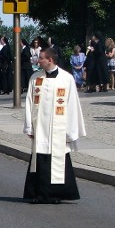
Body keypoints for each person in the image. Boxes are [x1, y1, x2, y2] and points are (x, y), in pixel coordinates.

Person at [22, 47, 86, 204]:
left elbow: (72, 105)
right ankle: (40, 193)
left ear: (50, 60)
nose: (38, 60)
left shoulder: (67, 78)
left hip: (59, 128)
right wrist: (29, 126)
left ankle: (57, 194)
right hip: (40, 127)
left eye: (41, 58)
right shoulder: (35, 78)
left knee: (58, 159)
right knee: (41, 160)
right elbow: (29, 102)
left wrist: (70, 132)